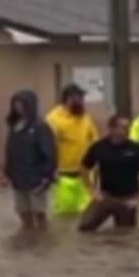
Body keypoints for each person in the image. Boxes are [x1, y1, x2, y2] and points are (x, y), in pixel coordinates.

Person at [79, 114, 139, 232]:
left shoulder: (135, 148)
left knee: (125, 235)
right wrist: (92, 191)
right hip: (105, 197)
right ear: (111, 129)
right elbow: (84, 168)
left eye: (127, 128)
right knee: (84, 228)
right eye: (123, 127)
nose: (127, 131)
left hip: (127, 200)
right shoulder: (99, 147)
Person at [0, 90, 57, 231]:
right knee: (22, 211)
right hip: (19, 177)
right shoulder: (14, 126)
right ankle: (29, 239)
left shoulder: (41, 126)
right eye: (15, 104)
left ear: (30, 105)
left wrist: (46, 177)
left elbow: (50, 153)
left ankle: (42, 242)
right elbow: (10, 152)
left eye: (21, 104)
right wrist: (6, 174)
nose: (18, 107)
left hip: (37, 178)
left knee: (39, 213)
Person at [46, 84, 99, 218]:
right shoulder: (53, 119)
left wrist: (98, 163)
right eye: (79, 98)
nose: (82, 101)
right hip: (63, 175)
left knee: (89, 215)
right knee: (65, 217)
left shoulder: (86, 117)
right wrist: (50, 170)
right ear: (68, 99)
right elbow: (47, 147)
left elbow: (95, 140)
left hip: (85, 174)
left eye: (82, 98)